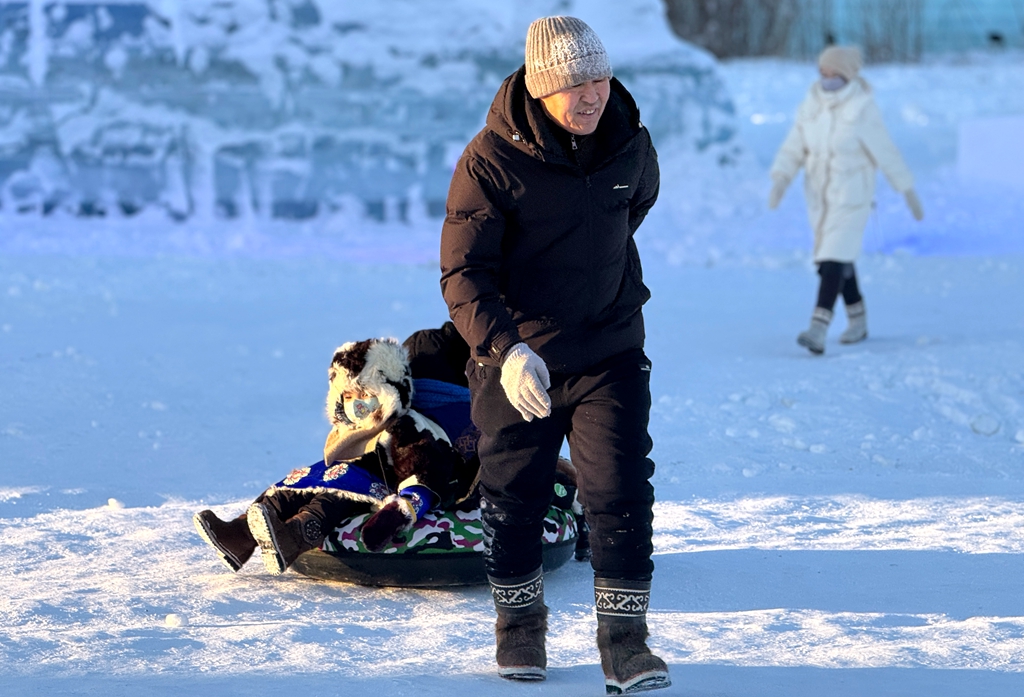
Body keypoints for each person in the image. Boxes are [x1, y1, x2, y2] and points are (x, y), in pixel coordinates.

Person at [439, 15, 669, 694]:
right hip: (517, 361)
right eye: (575, 84)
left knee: (621, 488)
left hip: (609, 349)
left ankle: (625, 643)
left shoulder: (629, 142)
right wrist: (506, 348)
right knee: (514, 493)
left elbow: (634, 209)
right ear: (541, 89)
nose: (593, 94)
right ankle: (519, 629)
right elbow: (463, 272)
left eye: (599, 77)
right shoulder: (489, 160)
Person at [193, 337, 477, 574]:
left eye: (365, 395)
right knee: (293, 487)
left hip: (377, 484)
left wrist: (402, 508)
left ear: (390, 392)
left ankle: (296, 536)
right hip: (344, 475)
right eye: (349, 397)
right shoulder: (348, 433)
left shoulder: (406, 427)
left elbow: (425, 468)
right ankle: (240, 536)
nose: (357, 407)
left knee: (333, 498)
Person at [768, 45, 924, 355]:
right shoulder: (811, 104)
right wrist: (781, 178)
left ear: (848, 75)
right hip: (819, 197)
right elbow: (794, 146)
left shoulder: (862, 108)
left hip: (852, 196)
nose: (826, 79)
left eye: (833, 74)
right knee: (835, 260)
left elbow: (886, 151)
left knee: (833, 258)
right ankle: (858, 319)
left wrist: (906, 189)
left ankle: (818, 327)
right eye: (822, 72)